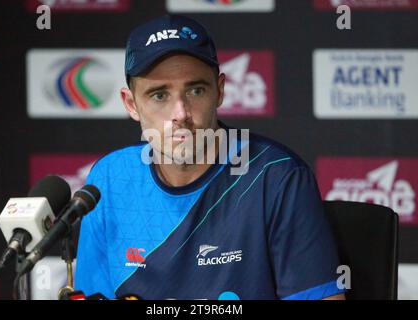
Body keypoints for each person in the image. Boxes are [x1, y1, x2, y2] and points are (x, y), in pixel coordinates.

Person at [74, 14, 345, 300]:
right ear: (131, 104)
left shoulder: (277, 177)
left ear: (220, 91)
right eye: (159, 95)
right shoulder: (109, 178)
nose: (181, 113)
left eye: (196, 90)